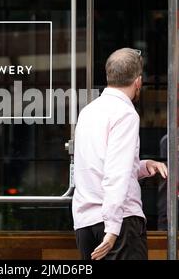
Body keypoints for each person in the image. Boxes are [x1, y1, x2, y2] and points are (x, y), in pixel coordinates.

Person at [72, 48, 168, 260]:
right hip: (118, 223)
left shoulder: (88, 111)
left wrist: (142, 167)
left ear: (109, 76)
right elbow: (116, 173)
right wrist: (113, 229)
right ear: (138, 81)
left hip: (85, 223)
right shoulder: (125, 113)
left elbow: (97, 164)